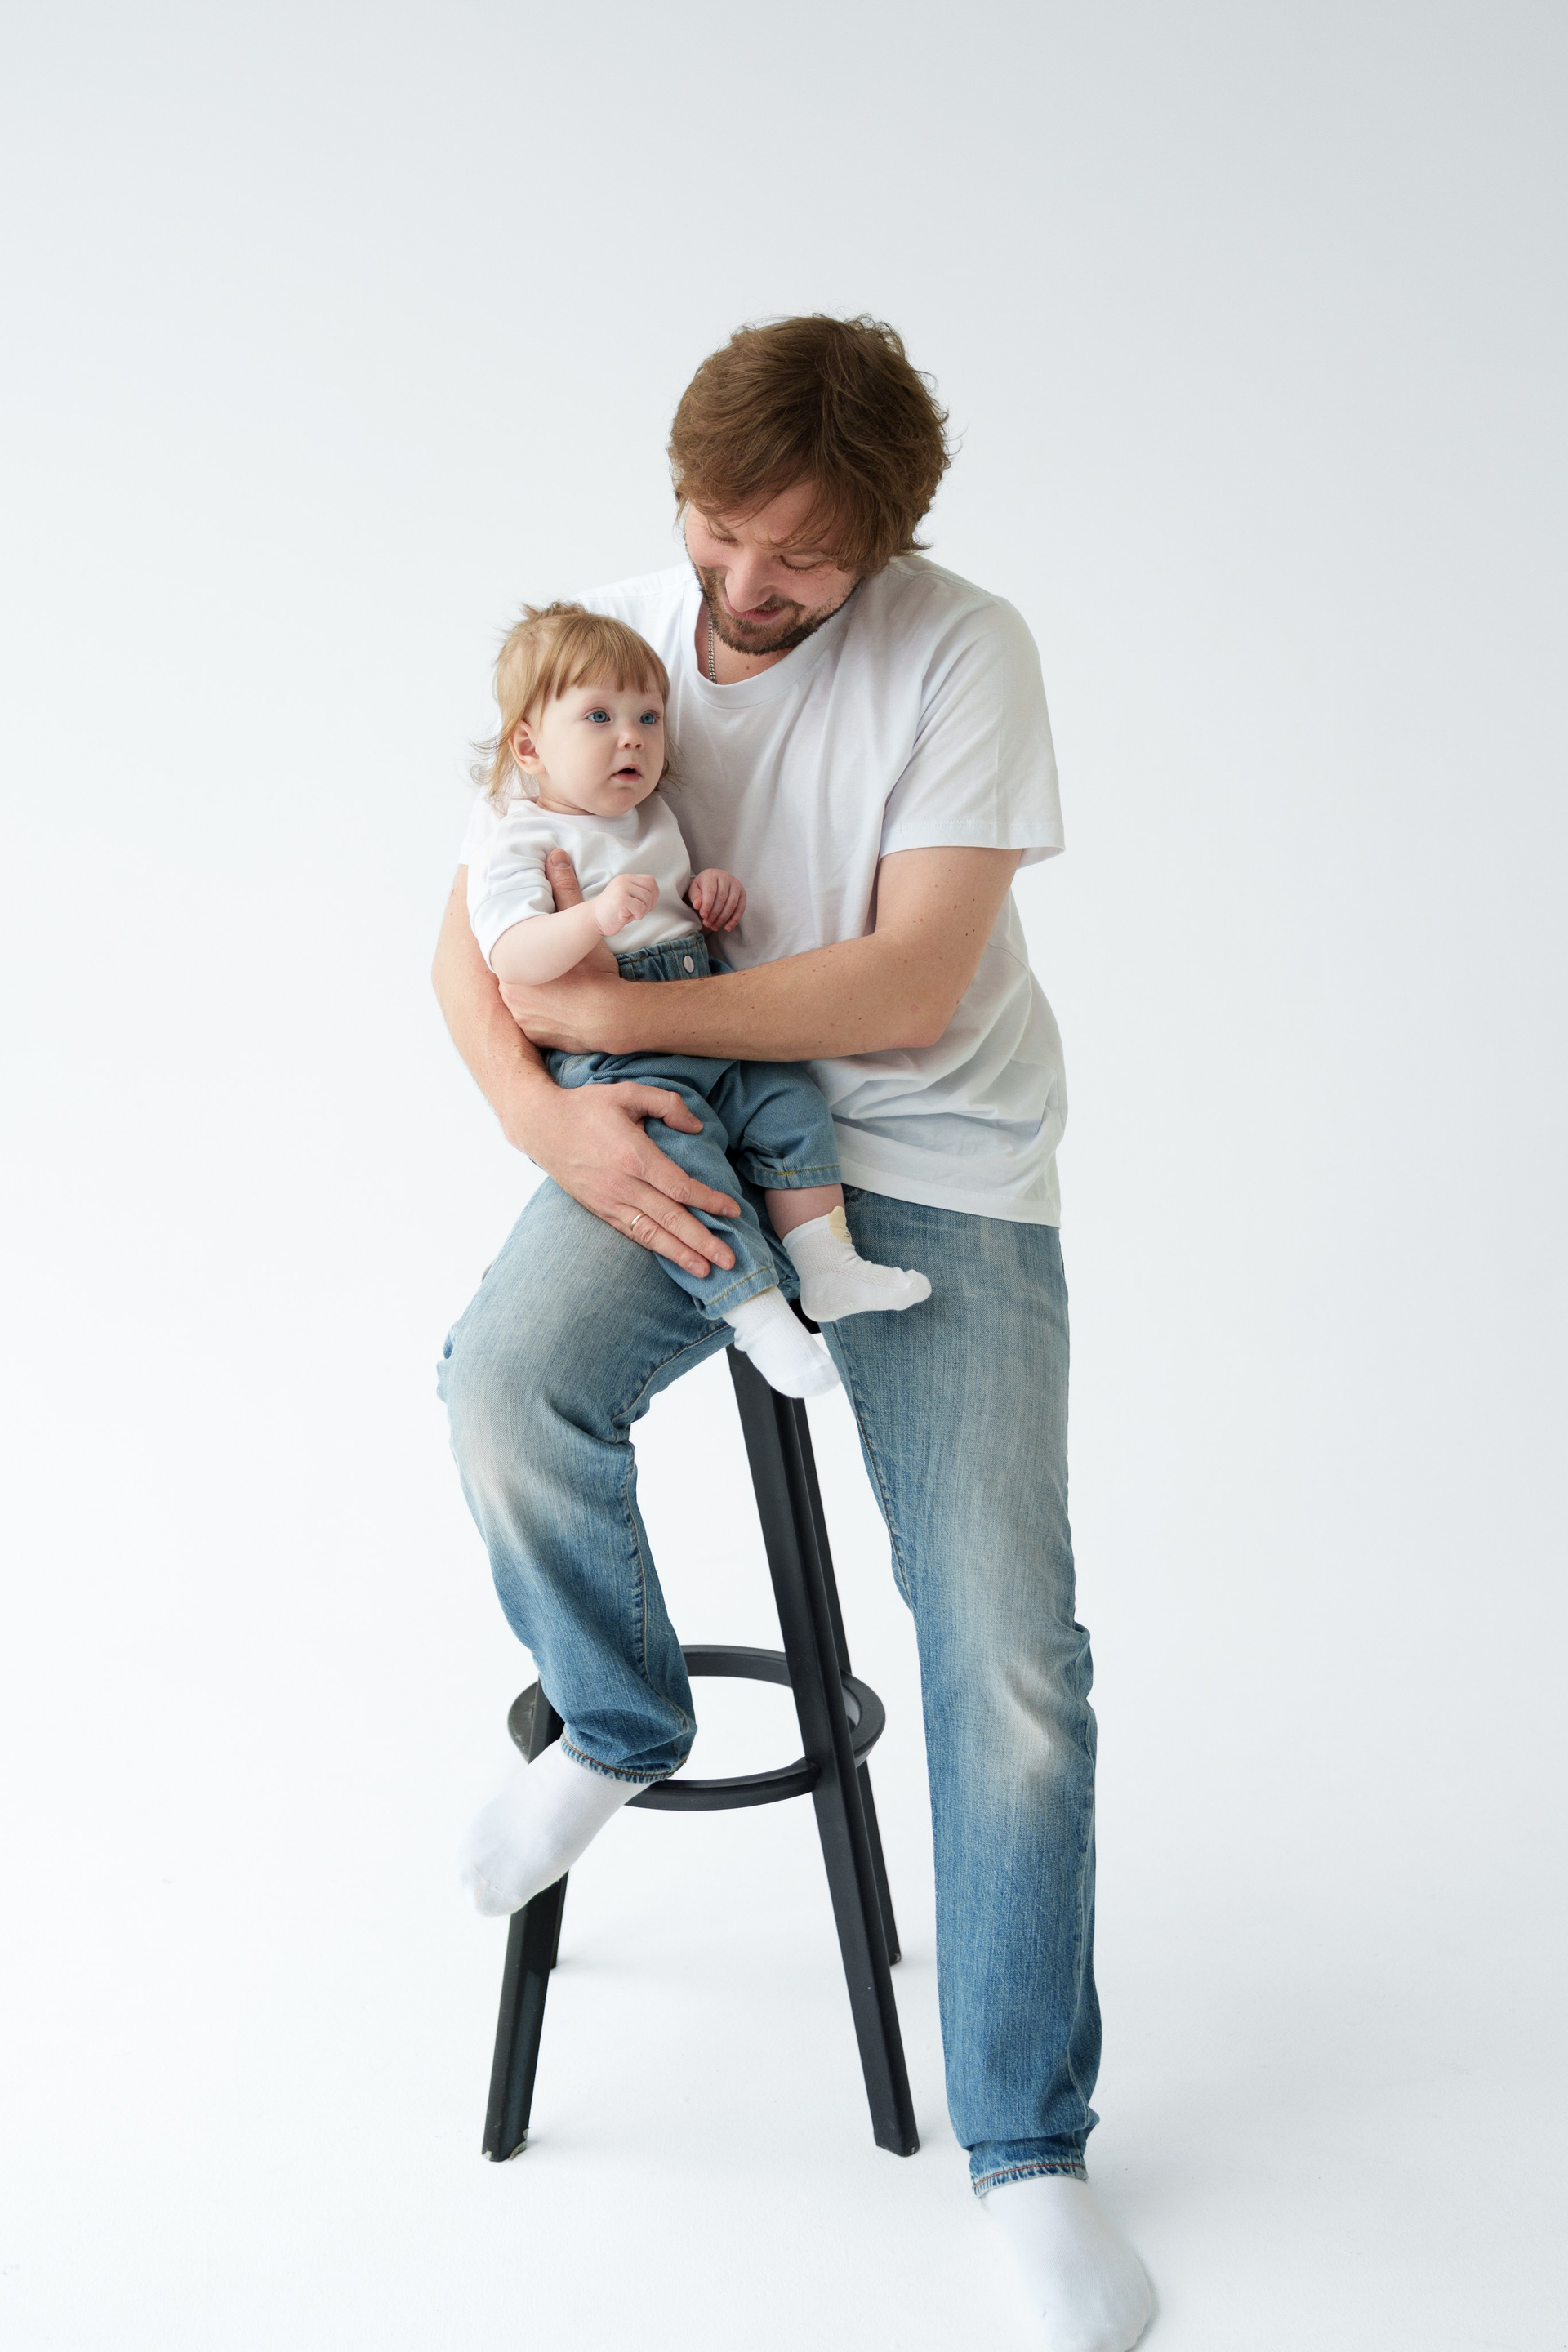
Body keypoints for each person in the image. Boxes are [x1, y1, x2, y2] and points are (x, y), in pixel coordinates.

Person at [433, 314, 1153, 2352]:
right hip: (673, 1127)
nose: (744, 587)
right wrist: (540, 1112)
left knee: (1007, 1653)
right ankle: (622, 1720)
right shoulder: (613, 644)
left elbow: (906, 988)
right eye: (719, 530)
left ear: (888, 542)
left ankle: (1027, 2148)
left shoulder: (963, 651)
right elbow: (470, 921)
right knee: (504, 1387)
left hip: (935, 1162)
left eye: (802, 558)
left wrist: (609, 1017)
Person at [462, 597, 931, 1426]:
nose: (633, 738)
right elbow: (511, 955)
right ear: (529, 746)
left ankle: (826, 1263)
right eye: (600, 718)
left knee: (790, 1103)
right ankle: (755, 1312)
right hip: (621, 1060)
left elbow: (675, 905)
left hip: (695, 1011)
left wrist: (707, 893)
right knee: (687, 1170)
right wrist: (591, 919)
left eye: (649, 717)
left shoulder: (650, 816)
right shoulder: (520, 836)